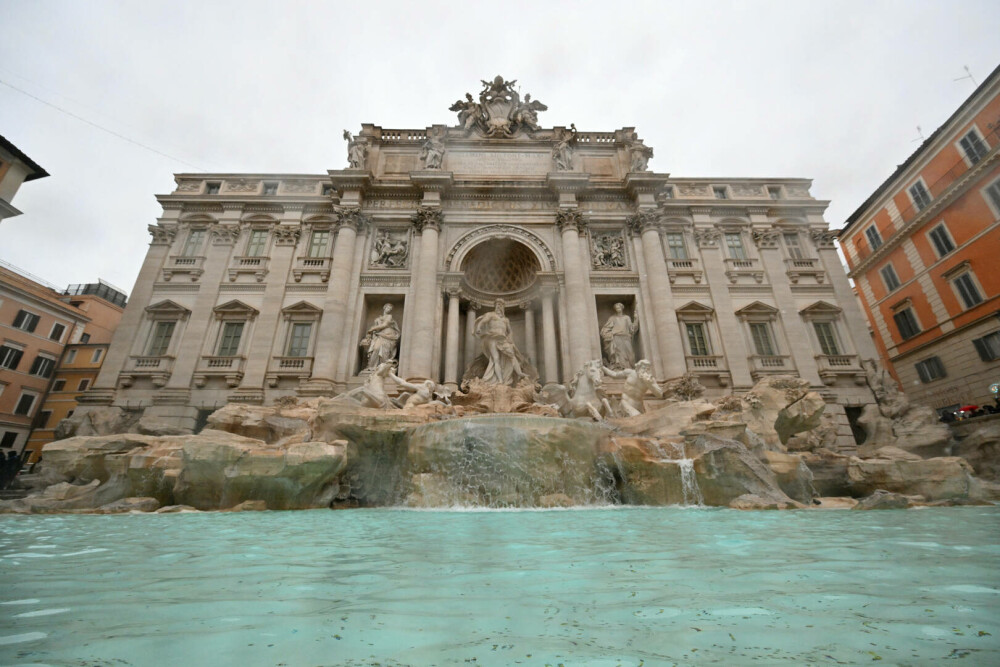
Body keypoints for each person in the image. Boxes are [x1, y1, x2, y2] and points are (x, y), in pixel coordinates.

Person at [474, 299, 526, 386]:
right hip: (492, 338)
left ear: (503, 307)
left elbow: (510, 331)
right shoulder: (491, 315)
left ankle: (519, 373)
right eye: (497, 304)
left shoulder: (506, 320)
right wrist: (479, 328)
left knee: (512, 355)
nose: (499, 306)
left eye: (501, 305)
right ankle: (500, 381)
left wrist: (510, 339)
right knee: (496, 359)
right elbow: (483, 321)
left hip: (503, 339)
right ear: (495, 306)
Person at [600, 302, 639, 370]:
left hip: (626, 337)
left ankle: (630, 368)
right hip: (616, 337)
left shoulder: (627, 318)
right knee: (618, 354)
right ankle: (620, 368)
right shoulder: (612, 318)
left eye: (619, 307)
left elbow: (632, 329)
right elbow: (605, 329)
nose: (618, 309)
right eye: (616, 308)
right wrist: (610, 334)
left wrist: (636, 319)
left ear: (622, 308)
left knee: (630, 354)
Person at [362, 304, 401, 371]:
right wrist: (370, 334)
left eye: (390, 309)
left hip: (388, 336)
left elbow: (384, 325)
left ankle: (383, 369)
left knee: (385, 352)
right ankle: (372, 367)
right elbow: (376, 329)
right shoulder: (377, 319)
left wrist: (372, 329)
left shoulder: (389, 317)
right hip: (379, 335)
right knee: (376, 348)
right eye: (388, 308)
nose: (389, 309)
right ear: (384, 308)